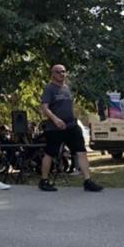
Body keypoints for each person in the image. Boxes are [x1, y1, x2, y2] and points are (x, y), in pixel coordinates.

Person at [39, 64, 103, 193]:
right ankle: (44, 180)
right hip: (55, 127)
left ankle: (87, 181)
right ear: (53, 74)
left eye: (64, 72)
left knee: (81, 152)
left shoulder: (67, 88)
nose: (62, 74)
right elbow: (45, 107)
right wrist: (55, 120)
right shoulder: (49, 88)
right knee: (50, 153)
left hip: (71, 126)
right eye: (58, 72)